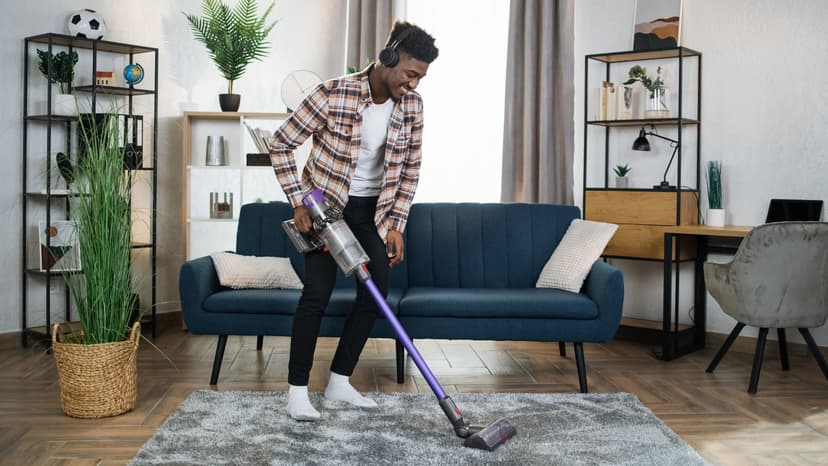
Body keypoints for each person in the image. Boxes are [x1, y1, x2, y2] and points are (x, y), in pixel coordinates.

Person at [270, 21, 438, 421]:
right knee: (317, 295)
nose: (414, 84)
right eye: (411, 74)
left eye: (421, 78)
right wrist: (298, 201)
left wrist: (396, 224)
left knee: (375, 292)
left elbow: (410, 169)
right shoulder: (332, 92)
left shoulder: (412, 107)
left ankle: (339, 382)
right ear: (389, 58)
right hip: (323, 210)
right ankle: (297, 392)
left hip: (371, 214)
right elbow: (281, 143)